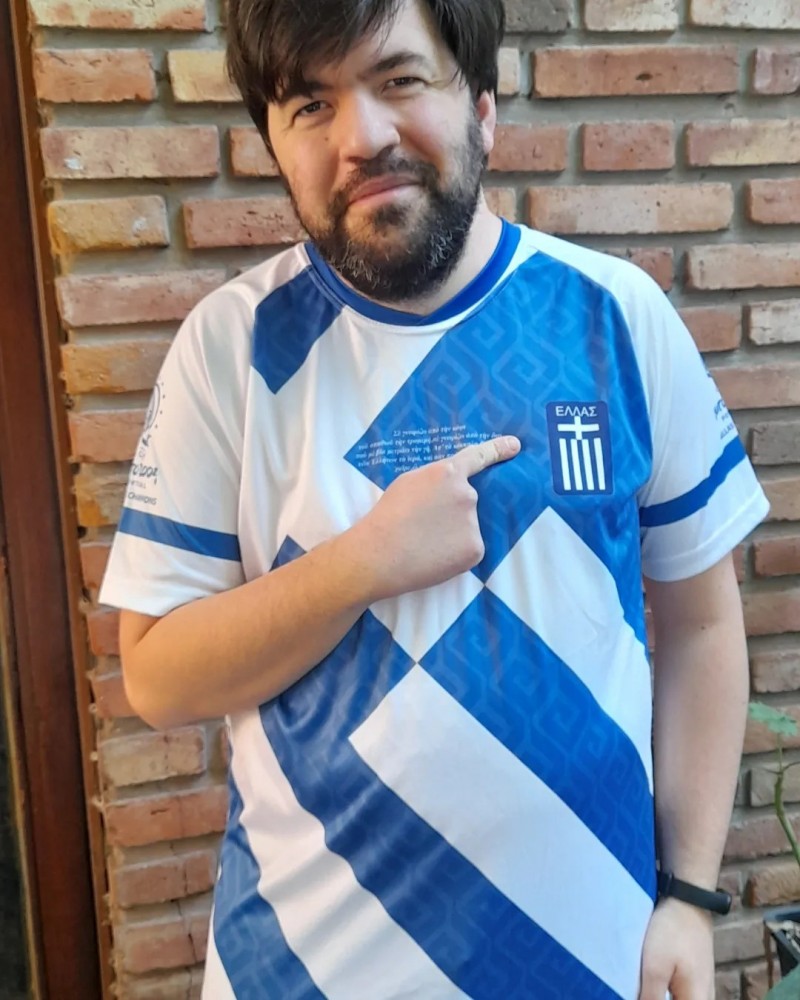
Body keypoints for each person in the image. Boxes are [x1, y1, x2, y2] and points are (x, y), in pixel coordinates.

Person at [99, 0, 768, 996]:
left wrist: (688, 896)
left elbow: (704, 626)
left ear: (482, 104)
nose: (361, 136)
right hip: (305, 970)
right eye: (310, 104)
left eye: (399, 80)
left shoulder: (615, 316)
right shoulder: (230, 348)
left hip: (592, 960)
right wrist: (359, 565)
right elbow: (158, 677)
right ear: (274, 144)